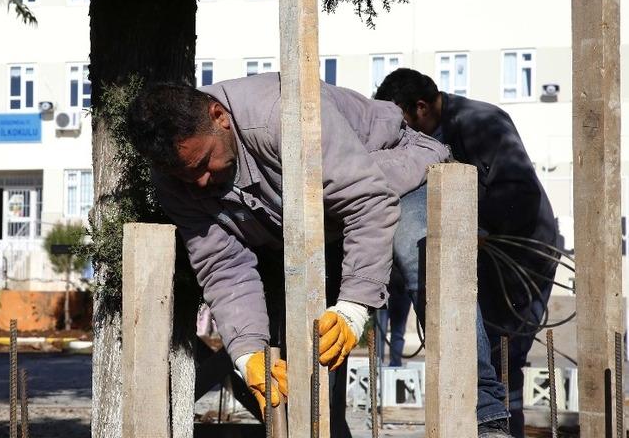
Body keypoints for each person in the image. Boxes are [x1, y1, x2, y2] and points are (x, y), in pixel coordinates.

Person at [126, 72, 516, 437]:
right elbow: (223, 264)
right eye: (186, 175)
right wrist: (247, 354)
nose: (200, 182)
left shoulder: (280, 114)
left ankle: (484, 415)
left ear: (218, 116)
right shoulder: (176, 177)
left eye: (203, 164)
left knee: (421, 256)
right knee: (307, 354)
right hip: (308, 225)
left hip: (391, 172)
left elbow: (368, 202)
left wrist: (353, 307)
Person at [375, 68, 558, 438]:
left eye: (401, 124)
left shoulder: (483, 123)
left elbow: (520, 197)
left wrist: (474, 229)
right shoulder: (434, 133)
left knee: (501, 363)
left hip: (521, 258)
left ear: (421, 108)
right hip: (480, 259)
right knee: (477, 363)